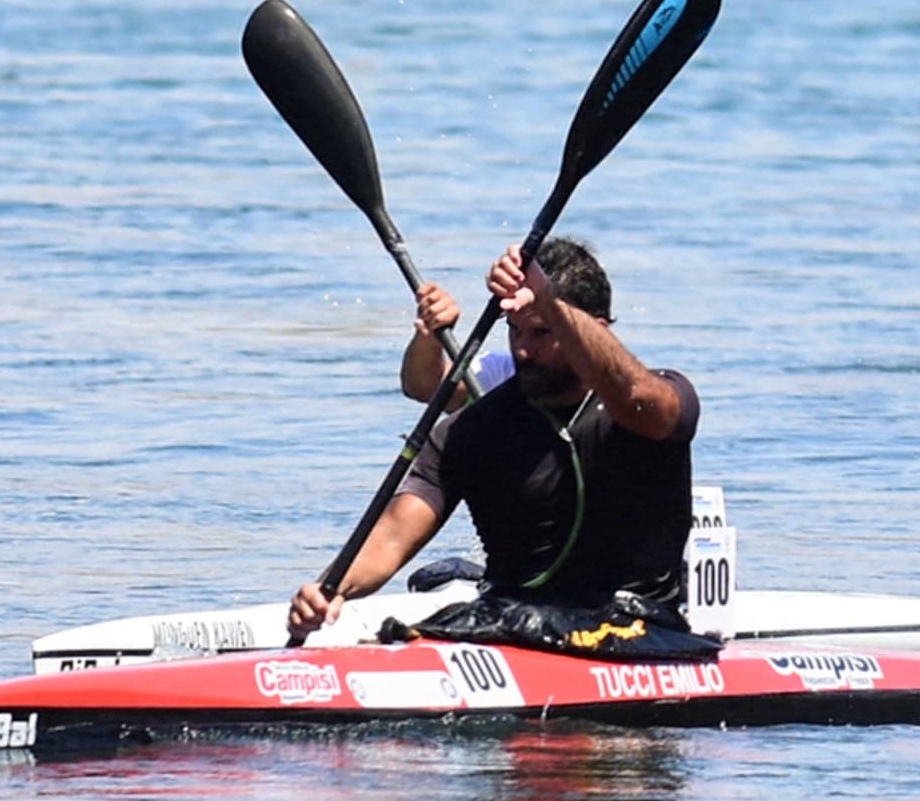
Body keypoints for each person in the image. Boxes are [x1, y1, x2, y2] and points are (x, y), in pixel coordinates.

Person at [291, 233, 700, 644]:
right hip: (513, 622)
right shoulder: (470, 430)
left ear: (596, 329)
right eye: (515, 332)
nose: (522, 351)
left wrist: (550, 302)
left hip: (638, 629)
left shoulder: (657, 403)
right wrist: (330, 587)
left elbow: (638, 398)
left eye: (542, 333)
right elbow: (394, 535)